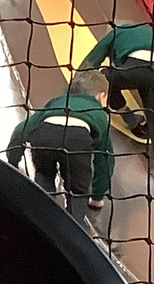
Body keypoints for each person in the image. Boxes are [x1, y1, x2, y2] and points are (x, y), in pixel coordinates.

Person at [6, 71, 115, 224]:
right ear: (102, 96)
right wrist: (97, 197)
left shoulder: (58, 101)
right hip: (77, 138)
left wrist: (12, 161)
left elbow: (21, 130)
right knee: (77, 191)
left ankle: (41, 221)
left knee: (44, 176)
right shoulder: (99, 113)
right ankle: (72, 226)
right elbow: (105, 161)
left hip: (45, 133)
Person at [77, 21, 154, 183]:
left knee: (105, 78)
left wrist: (74, 88)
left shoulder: (115, 33)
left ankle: (130, 118)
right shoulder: (149, 32)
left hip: (134, 67)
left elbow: (90, 62)